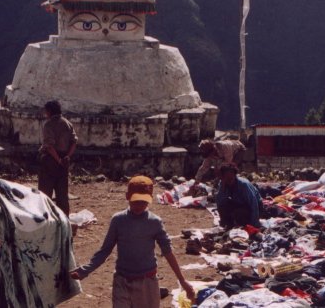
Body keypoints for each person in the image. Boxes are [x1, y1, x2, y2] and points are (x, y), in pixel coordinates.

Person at [70, 175, 196, 307]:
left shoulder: (154, 222)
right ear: (127, 197)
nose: (139, 206)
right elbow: (105, 250)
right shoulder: (118, 220)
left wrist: (182, 280)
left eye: (144, 202)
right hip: (122, 281)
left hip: (147, 281)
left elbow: (168, 251)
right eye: (136, 201)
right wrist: (85, 270)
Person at [38, 100, 77, 216]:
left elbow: (49, 146)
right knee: (62, 194)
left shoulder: (49, 125)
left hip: (50, 160)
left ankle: (46, 217)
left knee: (45, 192)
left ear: (49, 111)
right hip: (64, 160)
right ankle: (64, 218)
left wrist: (57, 159)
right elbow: (74, 142)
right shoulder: (67, 124)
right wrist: (66, 157)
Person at [215, 164, 263, 229]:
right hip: (239, 202)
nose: (229, 178)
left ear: (235, 175)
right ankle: (227, 224)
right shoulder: (223, 183)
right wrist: (223, 188)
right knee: (223, 207)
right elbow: (220, 202)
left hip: (255, 206)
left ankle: (245, 223)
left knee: (238, 213)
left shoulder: (243, 185)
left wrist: (254, 224)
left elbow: (253, 204)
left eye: (231, 174)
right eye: (226, 176)